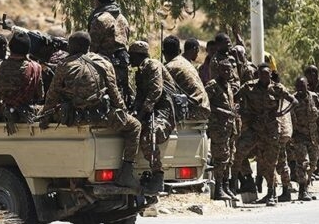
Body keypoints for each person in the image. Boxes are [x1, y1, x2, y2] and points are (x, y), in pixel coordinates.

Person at [39, 32, 144, 191]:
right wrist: (122, 111)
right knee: (135, 126)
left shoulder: (64, 65)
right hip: (101, 115)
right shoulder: (104, 63)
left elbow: (52, 95)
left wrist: (44, 117)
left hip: (73, 117)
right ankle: (126, 172)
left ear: (71, 46)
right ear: (88, 46)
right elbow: (114, 93)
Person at [232, 63, 298, 206]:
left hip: (271, 130)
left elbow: (294, 101)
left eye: (267, 74)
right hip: (254, 129)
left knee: (271, 162)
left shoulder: (276, 88)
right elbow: (234, 99)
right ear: (258, 75)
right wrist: (243, 112)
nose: (265, 77)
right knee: (239, 152)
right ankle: (232, 184)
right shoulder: (249, 87)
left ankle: (271, 192)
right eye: (262, 74)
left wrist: (281, 113)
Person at [129, 40, 177, 193]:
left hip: (164, 109)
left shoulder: (152, 65)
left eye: (131, 55)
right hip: (152, 109)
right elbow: (140, 96)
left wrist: (142, 113)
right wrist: (135, 111)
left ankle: (158, 175)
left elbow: (156, 92)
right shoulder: (140, 70)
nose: (129, 59)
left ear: (138, 55)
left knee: (150, 137)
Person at [0, 31, 44, 135]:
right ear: (28, 49)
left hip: (5, 116)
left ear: (10, 48)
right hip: (29, 116)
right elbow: (40, 95)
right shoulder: (36, 67)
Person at [284, 77, 319, 201]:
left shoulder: (314, 97)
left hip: (314, 137)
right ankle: (301, 191)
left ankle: (306, 188)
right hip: (299, 137)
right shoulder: (292, 100)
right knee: (303, 163)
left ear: (307, 86)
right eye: (298, 87)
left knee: (313, 164)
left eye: (302, 86)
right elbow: (289, 120)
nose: (300, 89)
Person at [87, 0, 133, 106]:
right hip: (122, 66)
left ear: (98, 0)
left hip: (102, 69)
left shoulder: (100, 19)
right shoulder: (123, 19)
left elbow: (91, 49)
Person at [205, 59, 239, 201]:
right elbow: (206, 104)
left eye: (229, 70)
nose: (227, 72)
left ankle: (225, 186)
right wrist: (222, 112)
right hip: (218, 128)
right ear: (218, 70)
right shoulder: (213, 86)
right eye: (224, 70)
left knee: (229, 158)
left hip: (229, 128)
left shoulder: (229, 85)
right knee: (220, 159)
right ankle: (218, 189)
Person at [162, 35, 210, 120]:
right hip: (205, 109)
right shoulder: (186, 62)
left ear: (163, 52)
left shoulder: (169, 67)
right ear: (179, 51)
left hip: (194, 111)